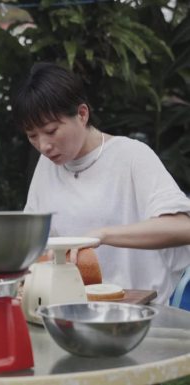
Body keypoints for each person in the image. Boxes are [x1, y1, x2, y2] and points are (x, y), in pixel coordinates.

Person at [14, 62, 190, 304]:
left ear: (82, 114)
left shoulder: (131, 156)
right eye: (32, 136)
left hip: (141, 314)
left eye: (51, 131)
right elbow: (34, 244)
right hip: (73, 312)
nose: (43, 146)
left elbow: (183, 227)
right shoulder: (48, 166)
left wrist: (103, 235)